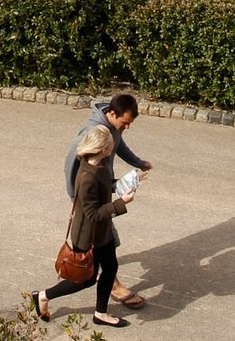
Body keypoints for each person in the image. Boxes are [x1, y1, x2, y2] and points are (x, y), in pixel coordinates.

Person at [32, 126, 135, 328]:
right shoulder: (86, 177)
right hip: (88, 236)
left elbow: (106, 185)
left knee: (111, 267)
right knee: (86, 279)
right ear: (103, 148)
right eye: (111, 145)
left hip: (102, 233)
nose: (114, 146)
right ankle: (44, 296)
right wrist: (121, 203)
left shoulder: (100, 165)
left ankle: (101, 313)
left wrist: (126, 182)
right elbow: (93, 214)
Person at [62, 94, 150, 311]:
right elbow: (70, 164)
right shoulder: (91, 132)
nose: (126, 127)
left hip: (102, 189)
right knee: (104, 237)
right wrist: (78, 197)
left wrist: (137, 163)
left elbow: (119, 145)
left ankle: (106, 280)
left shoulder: (113, 128)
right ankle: (113, 285)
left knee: (105, 240)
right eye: (125, 123)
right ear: (112, 113)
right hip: (89, 197)